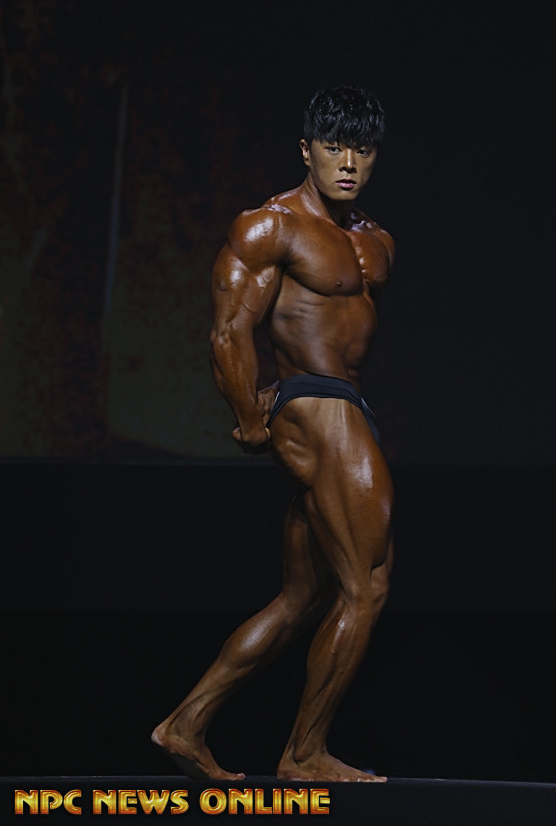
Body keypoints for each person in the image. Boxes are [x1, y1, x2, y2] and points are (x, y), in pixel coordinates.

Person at [152, 85, 395, 782]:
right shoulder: (270, 227)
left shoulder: (375, 241)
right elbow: (230, 329)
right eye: (333, 147)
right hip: (314, 404)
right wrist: (249, 416)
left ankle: (185, 724)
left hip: (347, 405)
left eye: (361, 149)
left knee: (303, 598)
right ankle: (304, 754)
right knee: (368, 586)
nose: (347, 162)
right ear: (305, 151)